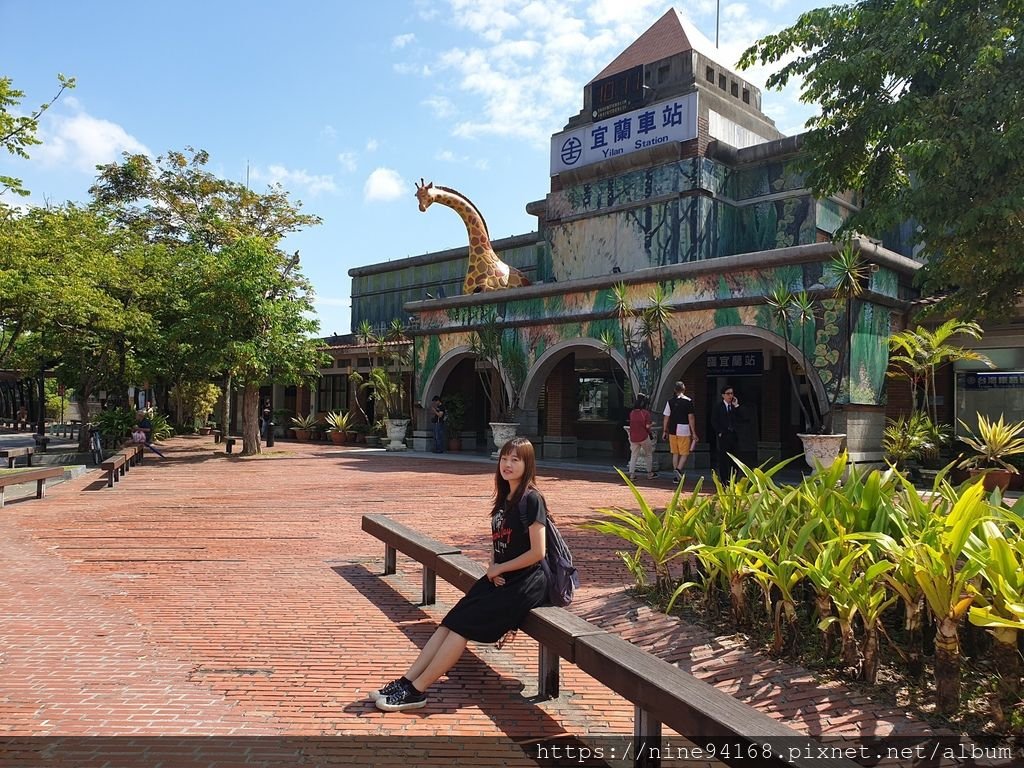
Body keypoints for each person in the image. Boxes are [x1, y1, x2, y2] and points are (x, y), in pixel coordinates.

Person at [373, 437, 549, 712]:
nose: (508, 464)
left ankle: (418, 691)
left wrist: (500, 568)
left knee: (461, 627)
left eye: (516, 459)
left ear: (528, 465)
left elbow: (539, 552)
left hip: (524, 583)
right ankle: (407, 681)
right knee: (448, 623)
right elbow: (501, 543)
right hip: (499, 579)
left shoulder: (532, 499)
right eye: (505, 458)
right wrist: (495, 567)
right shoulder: (505, 498)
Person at [661, 381, 698, 484]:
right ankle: (678, 470)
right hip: (684, 429)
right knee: (685, 452)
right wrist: (694, 432)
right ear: (684, 389)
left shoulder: (670, 402)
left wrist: (665, 430)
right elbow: (691, 417)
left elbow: (666, 417)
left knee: (675, 452)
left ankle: (675, 475)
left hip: (672, 430)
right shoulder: (688, 401)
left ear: (674, 390)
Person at [710, 385, 740, 481]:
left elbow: (742, 418)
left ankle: (734, 480)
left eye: (731, 393)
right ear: (723, 395)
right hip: (724, 435)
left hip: (734, 436)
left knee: (734, 459)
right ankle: (724, 481)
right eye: (728, 394)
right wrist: (719, 432)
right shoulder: (718, 406)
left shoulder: (734, 407)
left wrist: (736, 406)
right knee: (723, 459)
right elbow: (714, 420)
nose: (730, 396)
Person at [627, 394, 657, 481]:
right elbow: (647, 426)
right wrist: (653, 424)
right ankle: (649, 473)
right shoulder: (645, 413)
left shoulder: (632, 413)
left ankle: (632, 474)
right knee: (648, 454)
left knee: (634, 455)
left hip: (633, 437)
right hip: (643, 437)